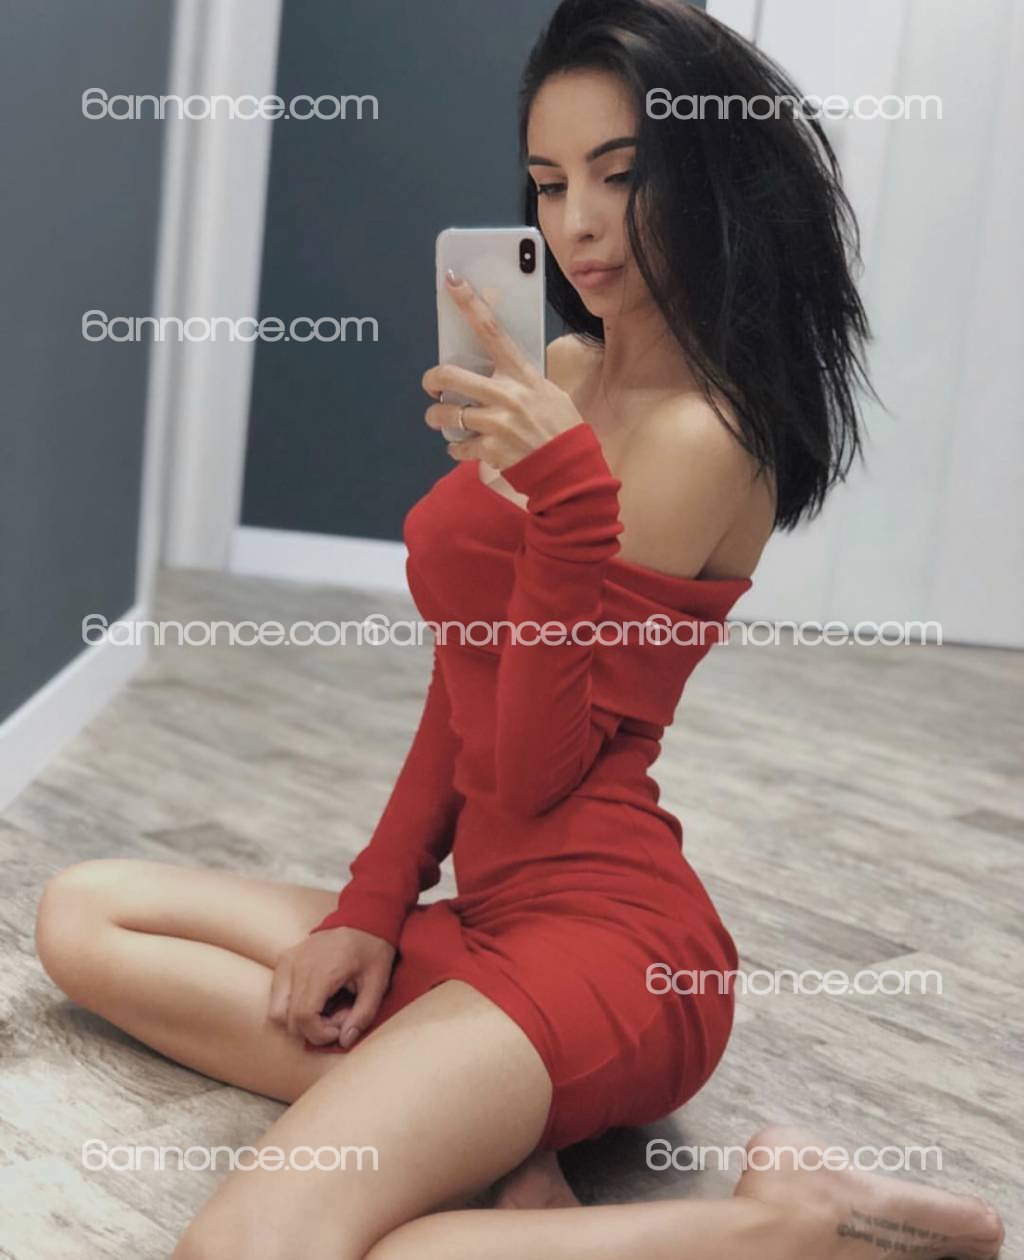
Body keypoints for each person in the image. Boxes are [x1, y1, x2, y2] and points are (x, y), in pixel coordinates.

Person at [34, 2, 1004, 1257]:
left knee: (259, 1247)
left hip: (609, 948)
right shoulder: (566, 376)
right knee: (83, 914)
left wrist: (565, 507)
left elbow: (534, 766)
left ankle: (790, 1224)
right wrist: (372, 905)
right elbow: (466, 677)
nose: (576, 224)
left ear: (711, 174)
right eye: (549, 183)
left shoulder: (706, 438)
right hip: (486, 916)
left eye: (621, 174)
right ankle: (497, 1129)